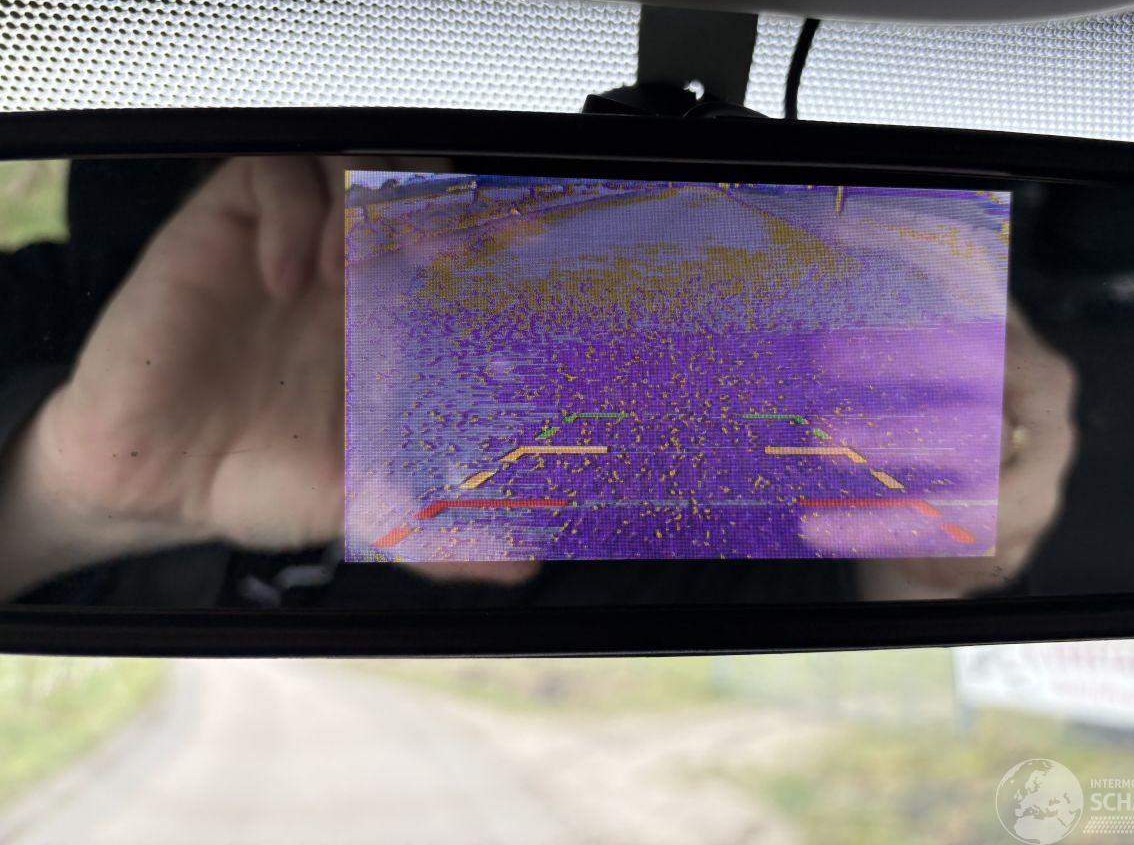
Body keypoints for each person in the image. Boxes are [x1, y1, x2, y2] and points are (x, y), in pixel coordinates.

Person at [0, 157, 1076, 605]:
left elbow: (842, 623)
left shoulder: (798, 431)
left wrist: (931, 523)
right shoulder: (126, 312)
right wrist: (69, 492)